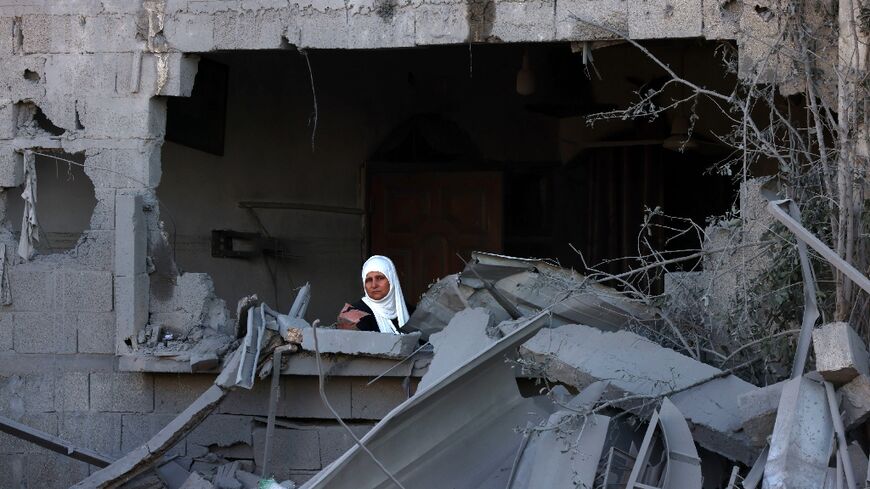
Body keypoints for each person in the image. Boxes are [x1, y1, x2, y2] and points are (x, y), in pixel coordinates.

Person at [337, 255, 409, 334]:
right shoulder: (352, 314)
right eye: (368, 280)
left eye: (380, 278)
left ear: (392, 280)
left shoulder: (409, 311)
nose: (374, 285)